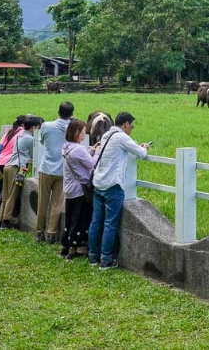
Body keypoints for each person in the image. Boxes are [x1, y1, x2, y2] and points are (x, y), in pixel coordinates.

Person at [88, 112, 149, 270]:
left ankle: (93, 255)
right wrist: (145, 147)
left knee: (96, 222)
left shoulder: (107, 135)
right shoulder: (121, 137)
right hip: (112, 185)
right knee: (110, 224)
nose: (131, 129)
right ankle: (106, 259)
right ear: (126, 124)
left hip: (98, 183)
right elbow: (141, 153)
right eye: (132, 126)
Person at [36, 101, 74, 244]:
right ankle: (52, 233)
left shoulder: (46, 126)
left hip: (46, 168)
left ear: (58, 112)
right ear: (71, 115)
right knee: (57, 203)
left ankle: (39, 232)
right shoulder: (73, 128)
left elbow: (42, 141)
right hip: (63, 170)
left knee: (42, 201)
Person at [59, 119, 96, 260]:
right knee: (79, 219)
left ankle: (65, 246)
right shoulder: (79, 149)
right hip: (79, 190)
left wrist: (89, 150)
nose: (85, 134)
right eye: (83, 131)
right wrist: (97, 151)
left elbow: (79, 158)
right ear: (76, 133)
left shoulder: (66, 147)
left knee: (69, 219)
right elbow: (92, 164)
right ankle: (74, 249)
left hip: (68, 189)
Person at [0, 115, 42, 229]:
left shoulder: (19, 135)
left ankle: (0, 219)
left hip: (8, 165)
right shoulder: (31, 139)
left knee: (5, 194)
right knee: (13, 194)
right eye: (37, 127)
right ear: (33, 128)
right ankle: (6, 221)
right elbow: (34, 156)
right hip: (18, 168)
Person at [0, 115, 26, 225]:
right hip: (8, 163)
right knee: (2, 191)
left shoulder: (9, 132)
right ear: (23, 124)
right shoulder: (22, 134)